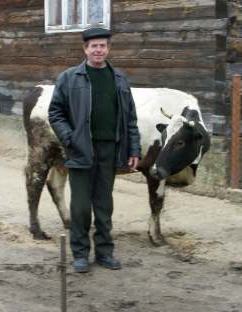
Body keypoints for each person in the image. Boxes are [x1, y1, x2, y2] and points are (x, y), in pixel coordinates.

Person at [48, 27, 141, 273]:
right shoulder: (69, 78)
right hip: (80, 150)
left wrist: (134, 150)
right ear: (85, 49)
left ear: (108, 49)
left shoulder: (119, 78)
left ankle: (104, 253)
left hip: (109, 150)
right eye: (93, 46)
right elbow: (55, 113)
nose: (98, 50)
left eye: (102, 46)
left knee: (104, 204)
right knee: (80, 206)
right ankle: (80, 254)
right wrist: (70, 139)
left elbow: (130, 118)